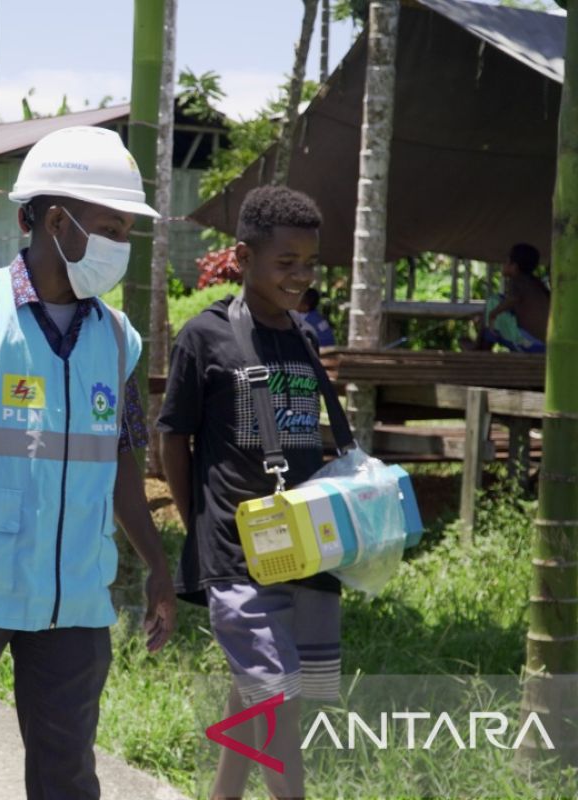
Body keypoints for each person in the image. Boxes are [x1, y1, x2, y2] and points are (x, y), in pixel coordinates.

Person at [0, 125, 176, 800]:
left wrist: (158, 568)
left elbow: (124, 467)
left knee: (67, 775)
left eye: (127, 230)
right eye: (111, 226)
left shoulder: (118, 338)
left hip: (73, 598)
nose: (120, 245)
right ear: (54, 220)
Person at [158, 186, 339, 799]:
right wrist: (200, 527)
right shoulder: (204, 336)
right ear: (243, 257)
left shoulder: (303, 337)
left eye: (309, 263)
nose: (301, 276)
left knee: (260, 690)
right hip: (235, 553)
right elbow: (171, 441)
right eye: (286, 263)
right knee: (276, 695)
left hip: (304, 551)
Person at [475, 242, 550, 353]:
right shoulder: (536, 283)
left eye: (506, 261)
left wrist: (492, 314)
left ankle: (481, 350)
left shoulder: (517, 281)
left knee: (493, 302)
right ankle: (479, 347)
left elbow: (512, 300)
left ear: (514, 266)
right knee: (498, 304)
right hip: (546, 345)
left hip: (531, 345)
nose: (503, 265)